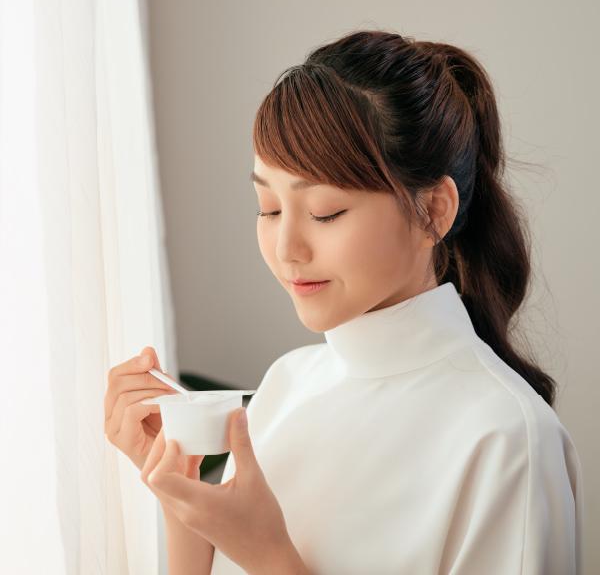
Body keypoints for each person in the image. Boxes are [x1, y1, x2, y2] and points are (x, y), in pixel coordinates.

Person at [105, 29, 583, 574]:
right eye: (268, 207)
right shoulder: (286, 387)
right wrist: (182, 493)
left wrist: (271, 558)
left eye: (326, 211)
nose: (287, 249)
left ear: (434, 211)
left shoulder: (507, 438)